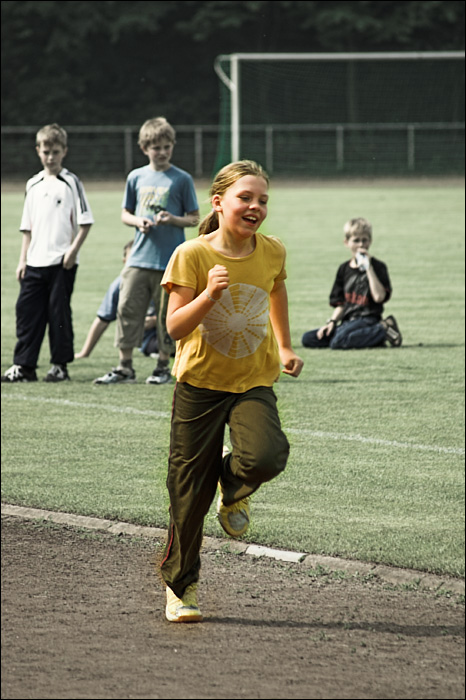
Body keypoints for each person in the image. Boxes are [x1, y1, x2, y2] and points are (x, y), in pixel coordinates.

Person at [159, 160, 304, 623]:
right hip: (198, 386)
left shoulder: (273, 251)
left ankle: (234, 486)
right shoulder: (192, 255)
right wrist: (208, 296)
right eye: (246, 197)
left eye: (263, 199)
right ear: (219, 202)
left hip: (252, 381)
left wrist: (283, 345)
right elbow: (174, 327)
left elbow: (276, 291)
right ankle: (181, 588)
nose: (256, 207)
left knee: (265, 455)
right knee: (188, 493)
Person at [93, 116, 199, 386]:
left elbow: (194, 218)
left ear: (172, 146)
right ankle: (124, 366)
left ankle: (163, 366)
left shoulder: (182, 179)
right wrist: (138, 221)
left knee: (167, 315)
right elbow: (125, 214)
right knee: (127, 308)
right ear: (144, 148)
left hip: (170, 261)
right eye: (156, 148)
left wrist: (172, 219)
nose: (162, 152)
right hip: (139, 258)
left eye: (166, 147)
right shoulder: (136, 177)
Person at [1, 123, 94, 383]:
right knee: (27, 314)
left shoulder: (71, 182)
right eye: (46, 151)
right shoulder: (33, 184)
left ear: (64, 151)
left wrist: (72, 251)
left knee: (58, 315)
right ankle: (24, 366)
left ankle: (59, 366)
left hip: (61, 262)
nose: (50, 157)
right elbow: (27, 228)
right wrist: (23, 260)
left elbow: (85, 221)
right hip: (34, 262)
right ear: (38, 151)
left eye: (55, 151)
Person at [301, 217, 402, 350]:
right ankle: (371, 338)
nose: (361, 245)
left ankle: (383, 329)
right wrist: (331, 322)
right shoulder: (344, 269)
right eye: (356, 240)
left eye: (364, 240)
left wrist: (368, 268)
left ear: (370, 241)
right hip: (348, 321)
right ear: (346, 242)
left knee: (338, 342)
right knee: (309, 338)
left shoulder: (378, 267)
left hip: (368, 319)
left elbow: (379, 297)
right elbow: (341, 304)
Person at [74, 240, 159, 359]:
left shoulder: (159, 280)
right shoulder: (119, 285)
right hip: (149, 339)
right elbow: (103, 319)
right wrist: (85, 352)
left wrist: (155, 321)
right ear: (125, 261)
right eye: (133, 259)